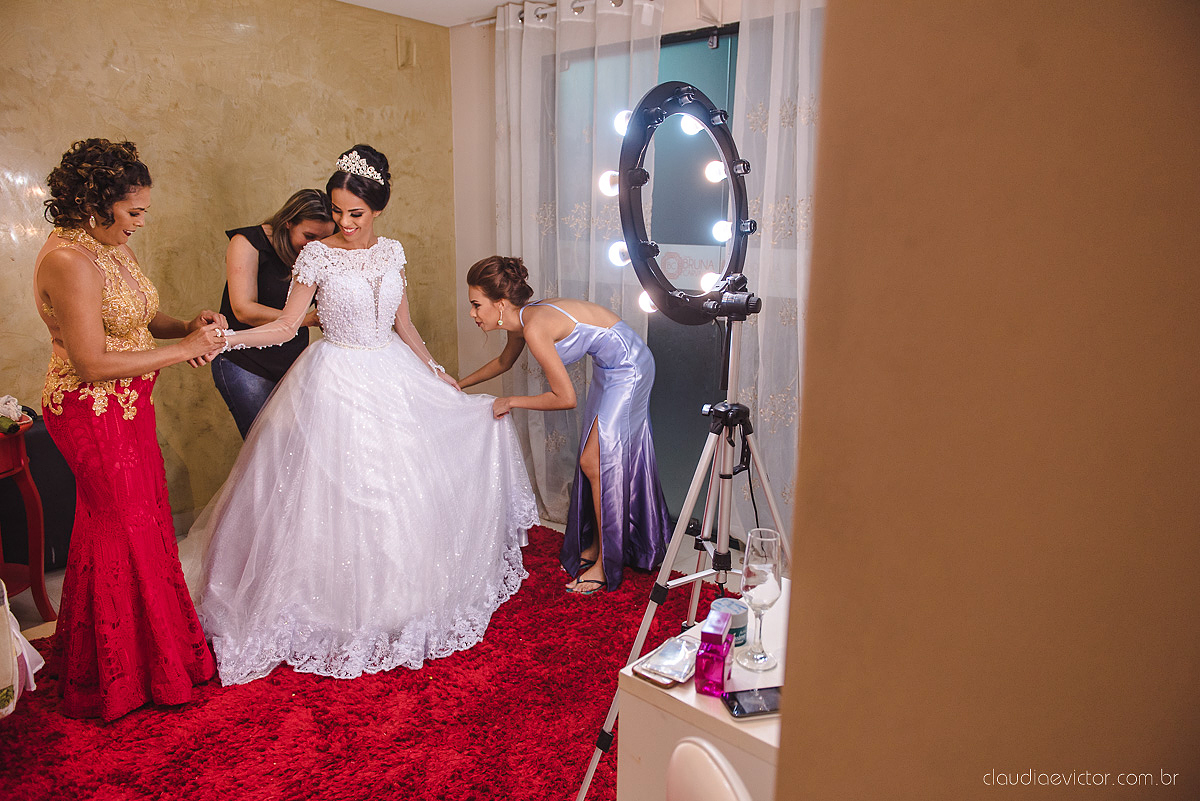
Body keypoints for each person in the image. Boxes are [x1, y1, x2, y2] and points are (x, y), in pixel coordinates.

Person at [186, 146, 538, 686]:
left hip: (390, 372)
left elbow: (406, 325)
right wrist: (227, 338)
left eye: (356, 213)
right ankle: (334, 608)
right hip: (334, 377)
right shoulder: (316, 257)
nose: (345, 224)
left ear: (377, 209)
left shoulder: (392, 252)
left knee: (400, 488)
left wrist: (435, 369)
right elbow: (286, 327)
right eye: (337, 212)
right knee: (338, 493)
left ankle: (405, 596)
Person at [33, 138, 224, 720]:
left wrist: (182, 325)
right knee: (122, 528)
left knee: (133, 524)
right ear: (97, 204)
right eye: (134, 212)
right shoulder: (69, 260)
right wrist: (183, 351)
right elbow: (91, 361)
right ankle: (121, 678)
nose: (140, 222)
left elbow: (134, 317)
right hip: (89, 411)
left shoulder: (107, 244)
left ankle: (132, 660)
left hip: (128, 404)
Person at [460, 256, 671, 594]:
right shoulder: (522, 320)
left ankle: (605, 564)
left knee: (595, 461)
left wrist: (511, 402)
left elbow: (565, 397)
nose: (472, 313)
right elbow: (503, 362)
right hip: (609, 368)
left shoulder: (534, 327)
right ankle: (603, 544)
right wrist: (459, 383)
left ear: (500, 304)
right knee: (597, 459)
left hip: (630, 367)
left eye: (476, 305)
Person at [211, 189, 335, 437]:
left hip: (292, 362)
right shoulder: (247, 242)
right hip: (245, 361)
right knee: (264, 446)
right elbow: (243, 309)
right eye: (309, 236)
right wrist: (303, 319)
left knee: (297, 447)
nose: (315, 248)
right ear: (288, 222)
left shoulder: (323, 252)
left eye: (324, 240)